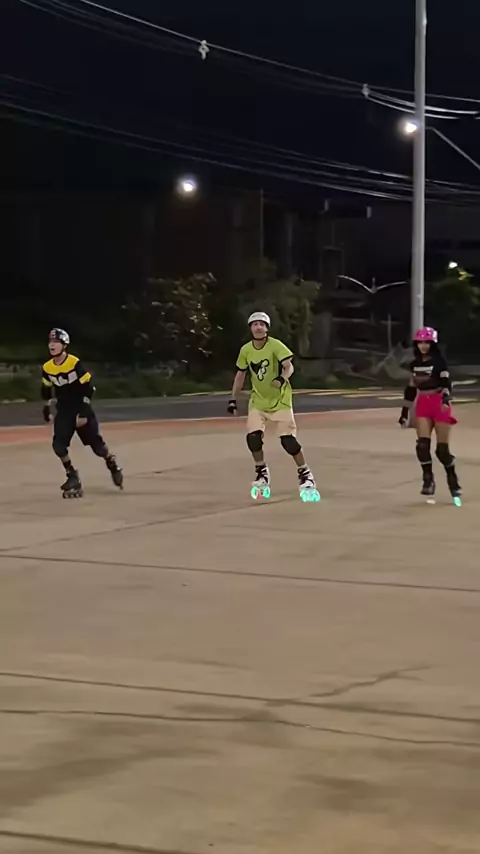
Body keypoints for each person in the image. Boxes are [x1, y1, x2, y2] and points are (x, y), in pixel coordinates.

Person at [227, 311, 319, 501]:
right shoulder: (246, 350)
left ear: (267, 328)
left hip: (280, 400)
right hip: (258, 401)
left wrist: (281, 378)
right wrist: (233, 399)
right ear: (250, 328)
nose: (258, 327)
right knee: (253, 438)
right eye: (255, 324)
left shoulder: (275, 345)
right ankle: (261, 472)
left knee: (288, 441)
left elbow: (289, 366)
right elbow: (240, 374)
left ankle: (305, 473)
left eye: (262, 324)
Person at [41, 328, 124, 498]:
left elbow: (89, 388)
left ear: (64, 345)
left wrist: (84, 412)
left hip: (80, 408)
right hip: (64, 411)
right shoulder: (47, 367)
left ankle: (112, 463)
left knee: (98, 447)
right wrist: (46, 408)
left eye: (56, 342)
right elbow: (46, 388)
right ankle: (72, 475)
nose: (52, 345)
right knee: (58, 446)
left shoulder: (74, 363)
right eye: (50, 342)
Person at [399, 326, 461, 501]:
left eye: (427, 342)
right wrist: (404, 412)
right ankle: (428, 479)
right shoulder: (414, 364)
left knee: (442, 451)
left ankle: (452, 478)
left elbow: (446, 382)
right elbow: (411, 389)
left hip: (439, 403)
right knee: (422, 446)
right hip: (423, 404)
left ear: (433, 344)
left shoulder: (439, 362)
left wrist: (446, 399)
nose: (423, 346)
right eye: (420, 342)